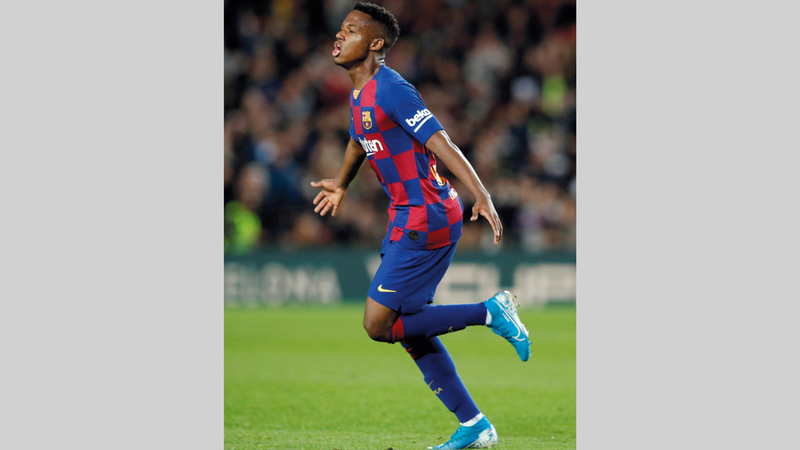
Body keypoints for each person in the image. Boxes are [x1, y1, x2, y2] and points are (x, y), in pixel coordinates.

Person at [310, 3, 531, 449]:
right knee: (412, 329)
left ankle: (490, 312)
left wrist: (480, 192)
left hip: (424, 216)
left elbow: (440, 140)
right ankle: (475, 425)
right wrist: (342, 183)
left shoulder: (392, 89)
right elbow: (358, 140)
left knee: (379, 325)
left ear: (375, 43)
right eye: (341, 28)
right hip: (409, 215)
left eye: (351, 30)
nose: (339, 35)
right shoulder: (360, 93)